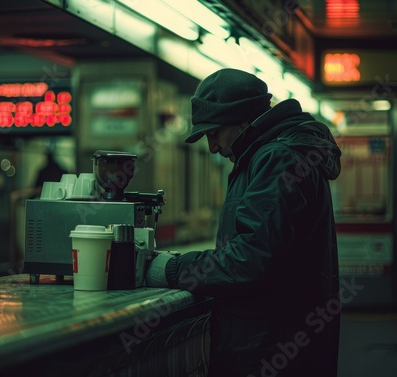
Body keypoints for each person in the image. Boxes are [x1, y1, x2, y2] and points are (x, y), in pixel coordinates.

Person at [146, 68, 341, 377]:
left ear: (242, 122)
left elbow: (249, 259)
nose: (211, 147)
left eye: (214, 133)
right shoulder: (267, 156)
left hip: (273, 349)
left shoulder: (277, 158)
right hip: (277, 342)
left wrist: (169, 269)